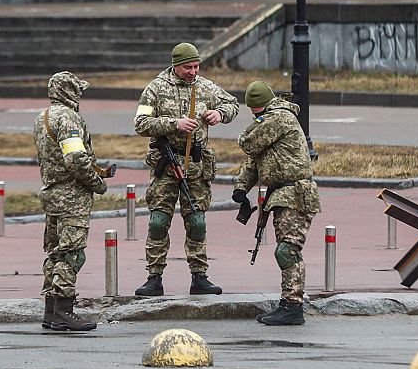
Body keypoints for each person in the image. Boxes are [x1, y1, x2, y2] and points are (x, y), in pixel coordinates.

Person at [133, 42, 239, 296]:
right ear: (175, 66)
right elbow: (141, 123)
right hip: (166, 165)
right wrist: (174, 124)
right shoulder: (156, 89)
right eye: (187, 67)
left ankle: (199, 276)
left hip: (196, 166)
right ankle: (154, 277)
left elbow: (233, 104)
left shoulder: (205, 87)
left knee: (197, 222)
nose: (193, 71)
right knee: (159, 221)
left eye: (196, 66)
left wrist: (220, 113)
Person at [232, 81, 321, 326]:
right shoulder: (270, 120)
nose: (254, 116)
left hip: (295, 193)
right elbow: (254, 158)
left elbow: (248, 142)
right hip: (282, 195)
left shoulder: (279, 118)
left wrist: (255, 125)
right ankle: (288, 304)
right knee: (285, 249)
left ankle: (293, 306)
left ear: (261, 106)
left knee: (287, 250)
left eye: (255, 112)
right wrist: (241, 188)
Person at [34, 71, 107, 331]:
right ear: (69, 92)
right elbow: (75, 159)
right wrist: (97, 183)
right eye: (78, 91)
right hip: (71, 197)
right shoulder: (68, 118)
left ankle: (51, 311)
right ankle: (64, 312)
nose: (80, 96)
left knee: (54, 253)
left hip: (52, 193)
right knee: (72, 254)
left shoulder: (43, 117)